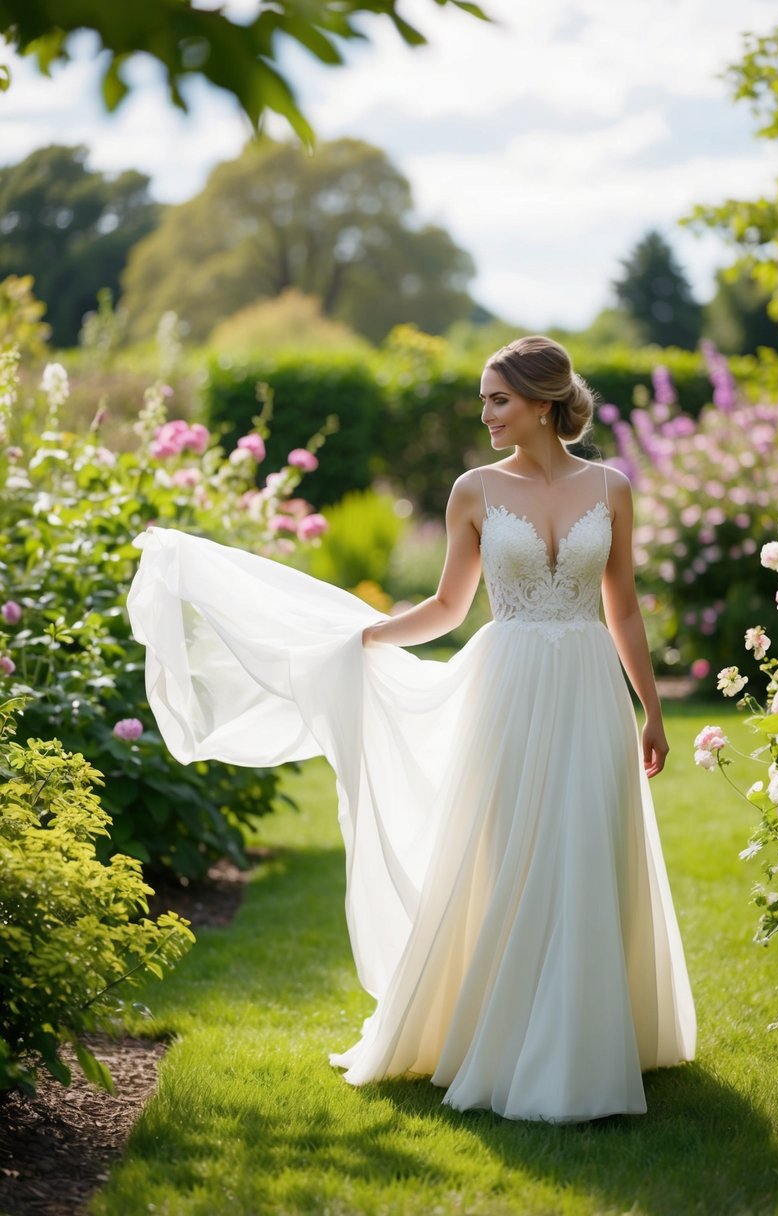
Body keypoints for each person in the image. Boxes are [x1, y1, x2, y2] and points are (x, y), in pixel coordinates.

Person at [127, 335, 696, 1124]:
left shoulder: (611, 488)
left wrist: (651, 708)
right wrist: (358, 640)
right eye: (483, 401)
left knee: (585, 845)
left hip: (589, 686)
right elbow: (446, 610)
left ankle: (589, 1038)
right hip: (508, 686)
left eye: (498, 399)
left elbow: (622, 606)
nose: (486, 414)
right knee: (508, 853)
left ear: (541, 402)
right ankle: (506, 1033)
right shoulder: (472, 490)